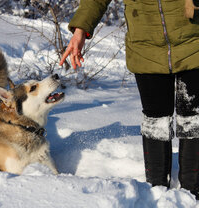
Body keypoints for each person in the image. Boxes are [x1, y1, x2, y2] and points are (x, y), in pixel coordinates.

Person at [59, 0, 199, 200]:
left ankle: (192, 193)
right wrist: (80, 29)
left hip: (193, 41)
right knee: (155, 121)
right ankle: (157, 192)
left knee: (193, 118)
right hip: (145, 48)